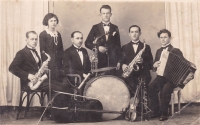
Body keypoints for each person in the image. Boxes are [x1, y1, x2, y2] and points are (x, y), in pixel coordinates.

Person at [148, 29, 184, 121]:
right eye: (161, 37)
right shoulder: (158, 51)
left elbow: (181, 66)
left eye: (165, 37)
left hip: (172, 78)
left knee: (165, 89)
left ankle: (164, 113)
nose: (163, 39)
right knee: (151, 87)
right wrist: (154, 65)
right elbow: (155, 66)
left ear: (169, 38)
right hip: (161, 77)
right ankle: (155, 111)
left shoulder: (176, 51)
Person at [85, 5, 121, 73]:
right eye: (103, 13)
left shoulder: (115, 27)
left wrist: (119, 61)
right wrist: (98, 48)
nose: (106, 15)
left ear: (111, 14)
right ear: (100, 14)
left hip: (113, 60)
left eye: (107, 13)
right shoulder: (95, 27)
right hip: (99, 60)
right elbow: (87, 43)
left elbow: (118, 45)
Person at [121, 25, 153, 96]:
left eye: (136, 32)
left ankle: (141, 107)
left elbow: (151, 64)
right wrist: (123, 65)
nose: (134, 34)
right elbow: (121, 61)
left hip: (142, 75)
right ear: (129, 34)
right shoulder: (124, 47)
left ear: (140, 33)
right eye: (132, 32)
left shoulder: (146, 47)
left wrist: (143, 61)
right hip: (129, 75)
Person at [39, 13, 64, 82]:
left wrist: (62, 63)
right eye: (51, 21)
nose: (53, 22)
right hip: (49, 63)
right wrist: (45, 65)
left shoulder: (58, 34)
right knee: (51, 82)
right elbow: (42, 51)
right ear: (47, 22)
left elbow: (61, 50)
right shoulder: (43, 34)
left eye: (55, 20)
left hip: (58, 63)